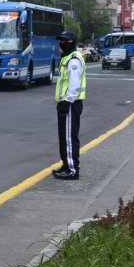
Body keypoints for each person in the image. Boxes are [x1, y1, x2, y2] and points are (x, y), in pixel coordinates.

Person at [52, 30, 87, 180]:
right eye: (60, 41)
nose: (61, 44)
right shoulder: (66, 58)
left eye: (64, 41)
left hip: (70, 103)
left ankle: (72, 169)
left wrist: (67, 101)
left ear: (71, 43)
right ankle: (66, 164)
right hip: (66, 103)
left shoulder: (73, 59)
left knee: (69, 137)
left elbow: (74, 84)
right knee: (64, 136)